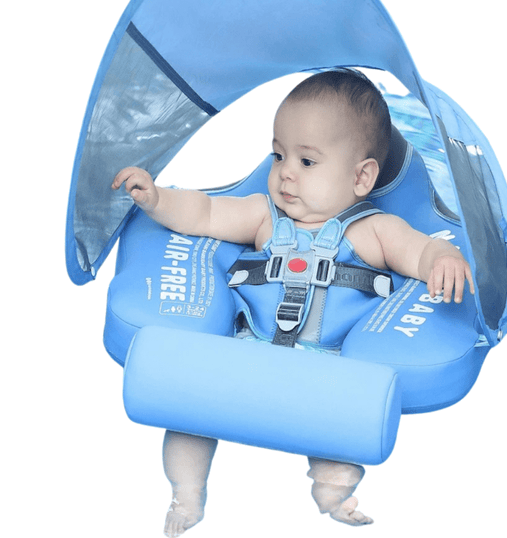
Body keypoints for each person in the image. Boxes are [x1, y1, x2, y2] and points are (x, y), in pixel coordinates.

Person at [112, 69, 474, 535]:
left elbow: (421, 251)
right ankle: (186, 493)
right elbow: (204, 213)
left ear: (362, 176)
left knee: (338, 440)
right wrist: (157, 199)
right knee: (185, 416)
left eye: (307, 161)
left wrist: (444, 259)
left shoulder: (376, 230)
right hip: (243, 347)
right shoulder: (264, 216)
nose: (285, 172)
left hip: (326, 365)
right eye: (278, 154)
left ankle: (333, 494)